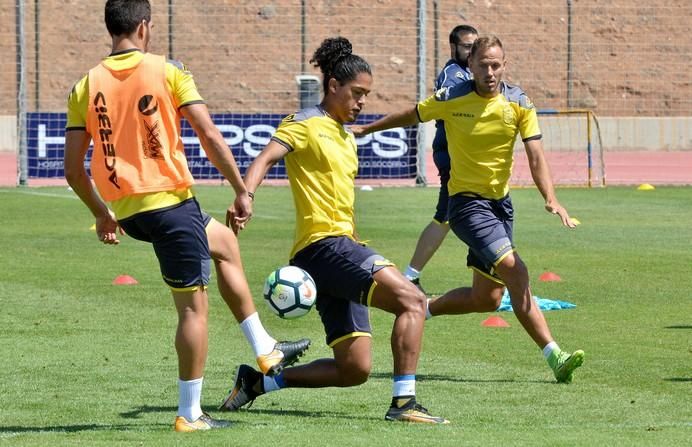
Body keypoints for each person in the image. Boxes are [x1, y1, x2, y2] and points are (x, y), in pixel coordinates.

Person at [63, 0, 309, 433]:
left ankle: (265, 347)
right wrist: (240, 189)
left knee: (225, 245)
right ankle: (190, 413)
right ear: (144, 26)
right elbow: (210, 135)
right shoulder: (167, 71)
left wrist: (102, 214)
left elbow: (72, 168)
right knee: (193, 312)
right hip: (170, 209)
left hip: (132, 212)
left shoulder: (86, 85)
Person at [219, 37, 448, 424]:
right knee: (412, 300)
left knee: (354, 369)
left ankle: (258, 382)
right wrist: (246, 194)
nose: (361, 102)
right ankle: (404, 403)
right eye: (357, 93)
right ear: (332, 87)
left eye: (366, 96)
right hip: (323, 246)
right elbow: (266, 155)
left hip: (340, 250)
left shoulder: (346, 136)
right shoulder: (304, 123)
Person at [351, 35, 585, 384]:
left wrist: (550, 198)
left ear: (504, 65)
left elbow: (535, 154)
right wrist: (368, 128)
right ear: (471, 66)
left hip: (500, 207)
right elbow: (413, 114)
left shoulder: (519, 102)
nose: (490, 72)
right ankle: (556, 356)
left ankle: (421, 308)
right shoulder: (453, 97)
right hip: (466, 206)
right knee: (516, 271)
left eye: (496, 65)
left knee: (486, 298)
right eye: (483, 65)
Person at [403, 24, 478, 294]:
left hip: (467, 158)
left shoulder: (473, 72)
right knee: (448, 216)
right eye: (467, 46)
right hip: (454, 157)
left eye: (474, 45)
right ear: (454, 47)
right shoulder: (452, 75)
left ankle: (411, 276)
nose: (472, 51)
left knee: (454, 216)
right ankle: (410, 277)